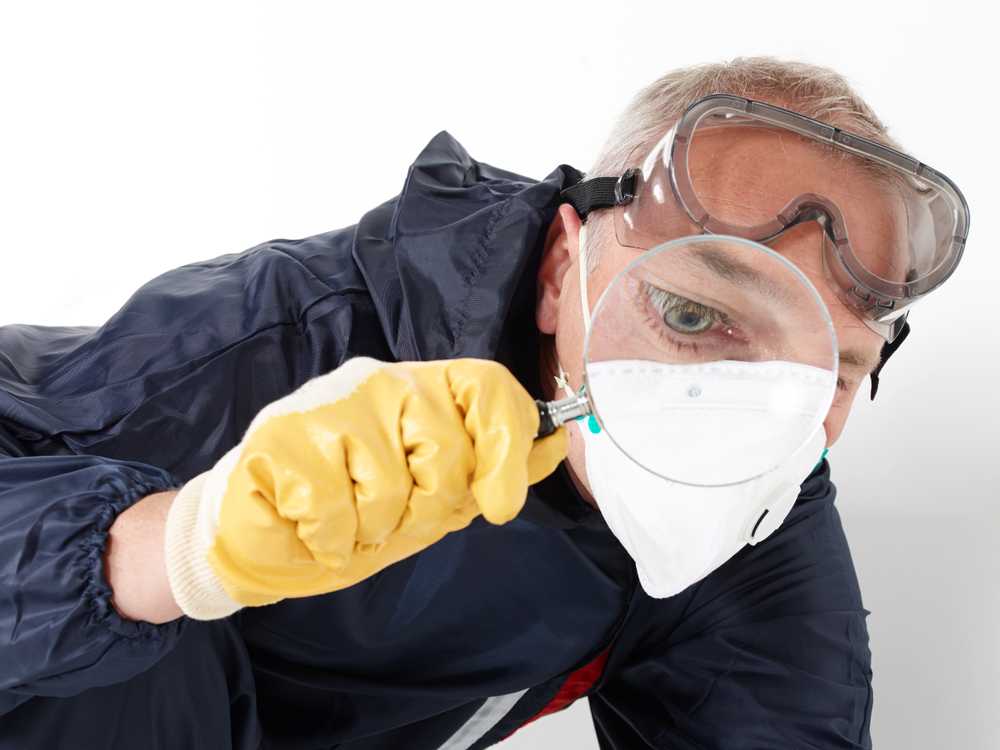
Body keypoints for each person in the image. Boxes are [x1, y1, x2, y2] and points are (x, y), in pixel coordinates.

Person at [0, 56, 970, 749]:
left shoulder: (760, 516)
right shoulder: (281, 337)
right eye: (688, 313)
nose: (739, 409)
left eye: (828, 374)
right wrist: (161, 548)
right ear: (561, 269)